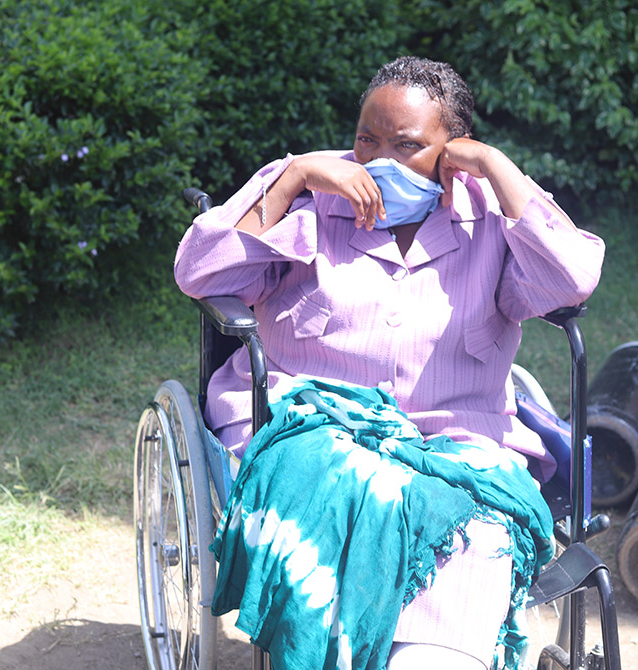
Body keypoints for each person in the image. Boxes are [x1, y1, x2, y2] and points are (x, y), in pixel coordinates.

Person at [174, 56, 605, 670]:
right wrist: (293, 178)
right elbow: (198, 273)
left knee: (475, 529)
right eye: (366, 139)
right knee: (348, 499)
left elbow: (571, 282)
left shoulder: (489, 214)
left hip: (452, 434)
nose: (379, 160)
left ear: (450, 150)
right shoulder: (309, 194)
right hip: (311, 424)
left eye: (406, 145)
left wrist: (494, 166)